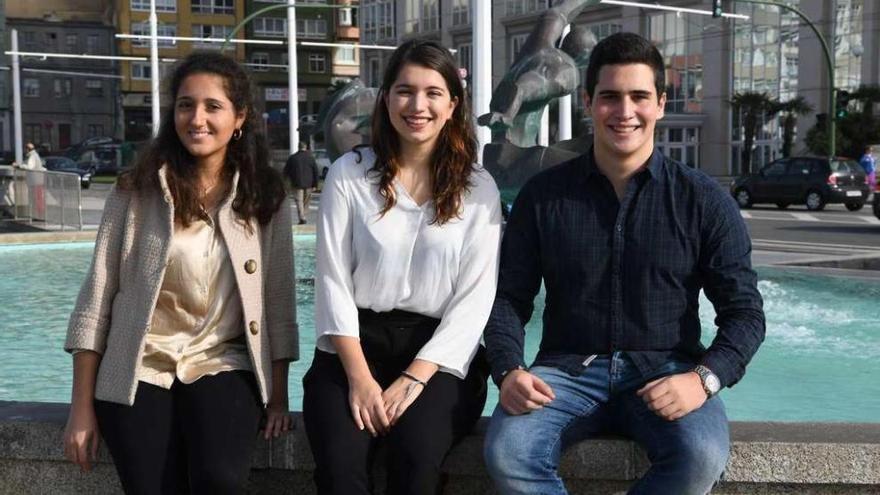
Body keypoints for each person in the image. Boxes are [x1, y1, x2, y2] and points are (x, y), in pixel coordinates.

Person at [482, 32, 766, 495]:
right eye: (610, 97)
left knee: (700, 458)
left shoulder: (703, 199)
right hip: (565, 372)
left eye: (639, 97)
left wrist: (704, 380)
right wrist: (508, 369)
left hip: (669, 370)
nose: (625, 111)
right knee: (508, 454)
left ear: (660, 103)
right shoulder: (544, 195)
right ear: (589, 102)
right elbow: (508, 299)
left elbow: (746, 314)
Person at [61, 51, 298, 494]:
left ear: (239, 117)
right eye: (186, 105)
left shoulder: (265, 197)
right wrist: (80, 409)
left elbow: (278, 301)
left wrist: (279, 396)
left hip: (222, 360)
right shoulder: (135, 191)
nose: (197, 118)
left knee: (220, 479)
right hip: (141, 365)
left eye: (213, 106)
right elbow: (96, 297)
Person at [302, 39, 501, 495]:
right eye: (404, 90)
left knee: (415, 460)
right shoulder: (349, 174)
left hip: (437, 359)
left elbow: (475, 299)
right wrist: (360, 378)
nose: (418, 105)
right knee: (340, 466)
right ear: (386, 99)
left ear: (453, 105)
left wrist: (414, 377)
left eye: (433, 93)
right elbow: (331, 280)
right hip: (351, 349)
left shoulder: (478, 188)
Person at [284, 141, 319, 224]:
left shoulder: (292, 158)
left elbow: (286, 171)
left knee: (299, 201)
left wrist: (286, 181)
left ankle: (302, 217)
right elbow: (315, 171)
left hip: (296, 183)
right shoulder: (311, 158)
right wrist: (315, 184)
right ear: (306, 147)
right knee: (306, 201)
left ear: (298, 147)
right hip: (309, 184)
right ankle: (304, 215)